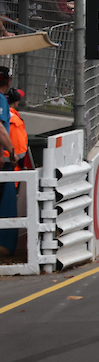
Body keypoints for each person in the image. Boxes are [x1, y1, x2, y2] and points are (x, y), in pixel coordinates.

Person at [0, 68, 17, 256]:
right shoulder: (0, 100)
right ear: (9, 81)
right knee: (6, 203)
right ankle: (4, 246)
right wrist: (9, 150)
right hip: (3, 161)